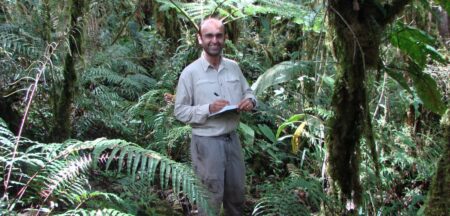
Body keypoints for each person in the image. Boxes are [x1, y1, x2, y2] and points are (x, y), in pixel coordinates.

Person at [174, 16, 256, 216]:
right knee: (210, 199)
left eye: (219, 35)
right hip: (206, 143)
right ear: (200, 39)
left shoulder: (233, 67)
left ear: (225, 38)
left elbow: (249, 92)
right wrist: (208, 109)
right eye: (209, 36)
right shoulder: (190, 73)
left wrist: (251, 101)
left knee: (236, 195)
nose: (214, 40)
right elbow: (180, 111)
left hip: (232, 139)